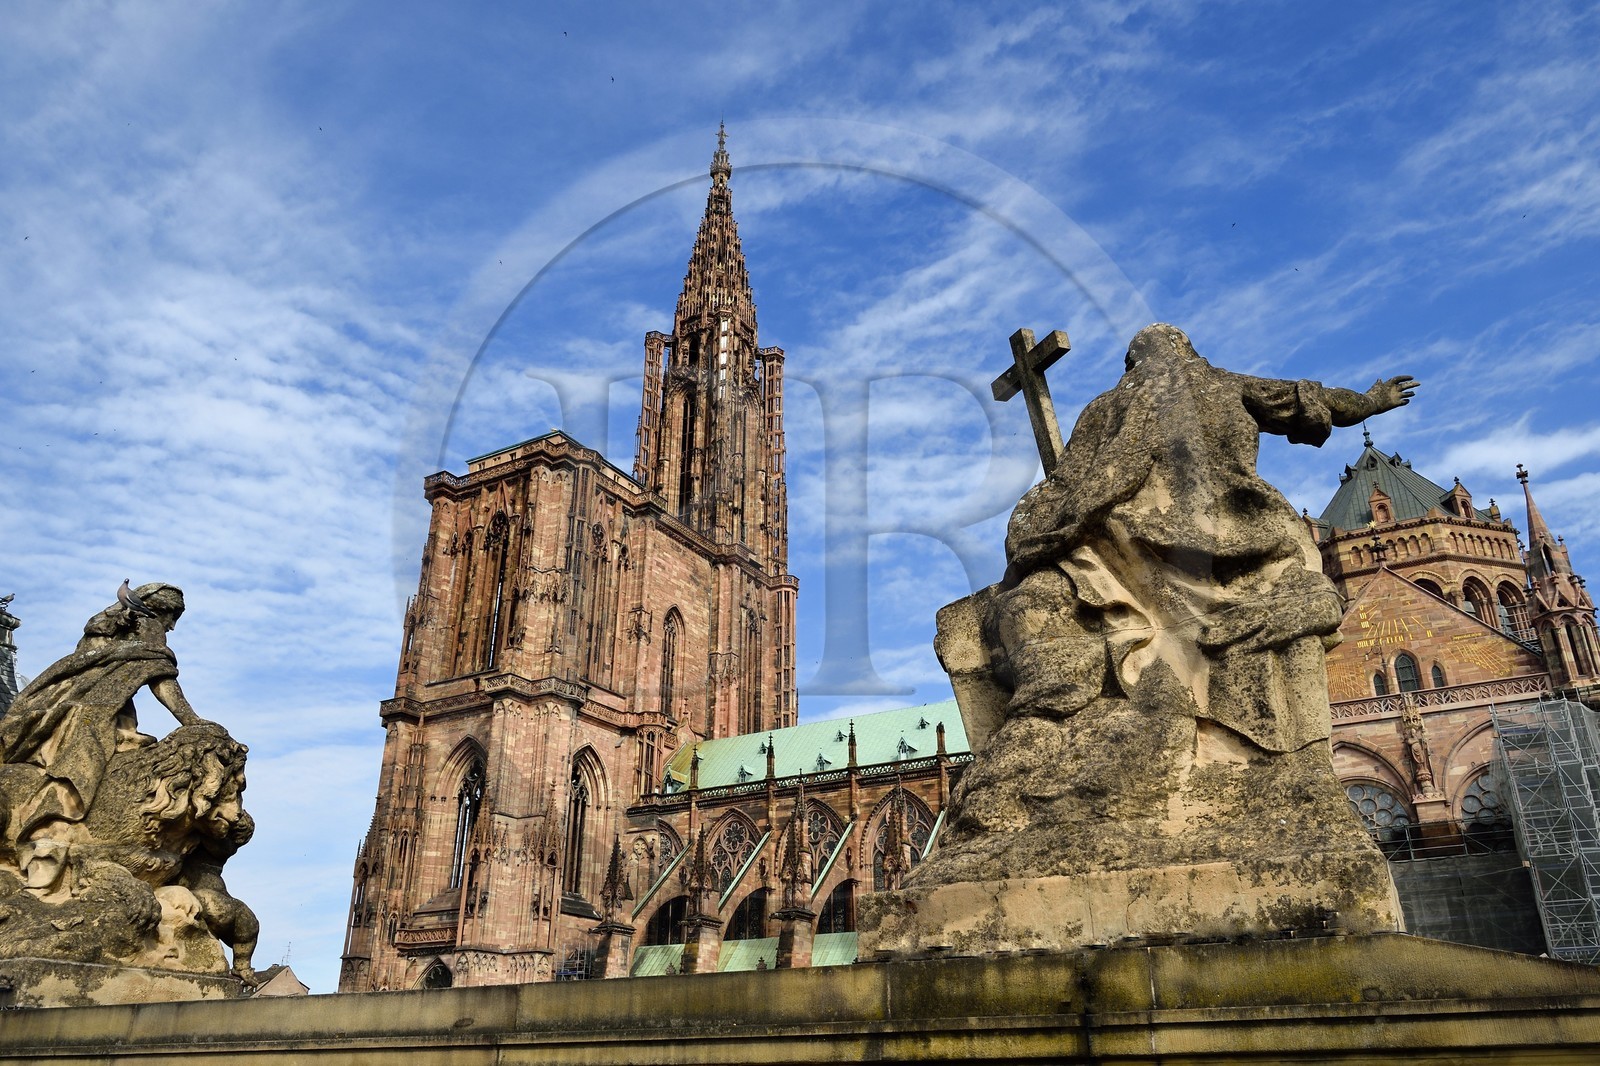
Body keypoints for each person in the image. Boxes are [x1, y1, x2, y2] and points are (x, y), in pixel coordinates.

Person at [997, 324, 1417, 753]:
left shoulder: (1105, 407)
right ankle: (1286, 742)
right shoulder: (1219, 382)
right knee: (1303, 592)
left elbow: (1069, 484)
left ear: (1131, 365)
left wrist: (1046, 532)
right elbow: (1311, 399)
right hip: (1245, 536)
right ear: (1188, 352)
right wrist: (1370, 401)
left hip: (1135, 545)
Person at [0, 583, 201, 845]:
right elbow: (162, 679)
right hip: (94, 710)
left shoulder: (107, 624)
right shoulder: (147, 626)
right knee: (87, 749)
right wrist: (191, 721)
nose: (171, 626)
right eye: (171, 617)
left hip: (94, 704)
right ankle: (56, 818)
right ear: (158, 610)